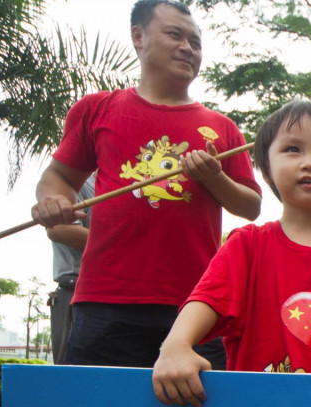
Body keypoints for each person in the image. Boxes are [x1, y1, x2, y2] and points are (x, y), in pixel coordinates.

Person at [31, 0, 262, 369]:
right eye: (175, 35)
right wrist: (53, 201)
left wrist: (214, 177)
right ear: (138, 36)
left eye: (196, 42)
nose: (188, 48)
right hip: (106, 299)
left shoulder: (223, 128)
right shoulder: (97, 110)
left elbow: (250, 206)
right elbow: (58, 177)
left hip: (197, 304)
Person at [152, 99, 311, 407]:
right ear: (266, 167)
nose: (310, 162)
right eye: (293, 149)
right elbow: (208, 300)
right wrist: (176, 345)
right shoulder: (246, 245)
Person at [46, 175, 94, 364]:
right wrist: (124, 245)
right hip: (75, 288)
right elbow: (59, 229)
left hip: (116, 290)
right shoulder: (77, 183)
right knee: (71, 367)